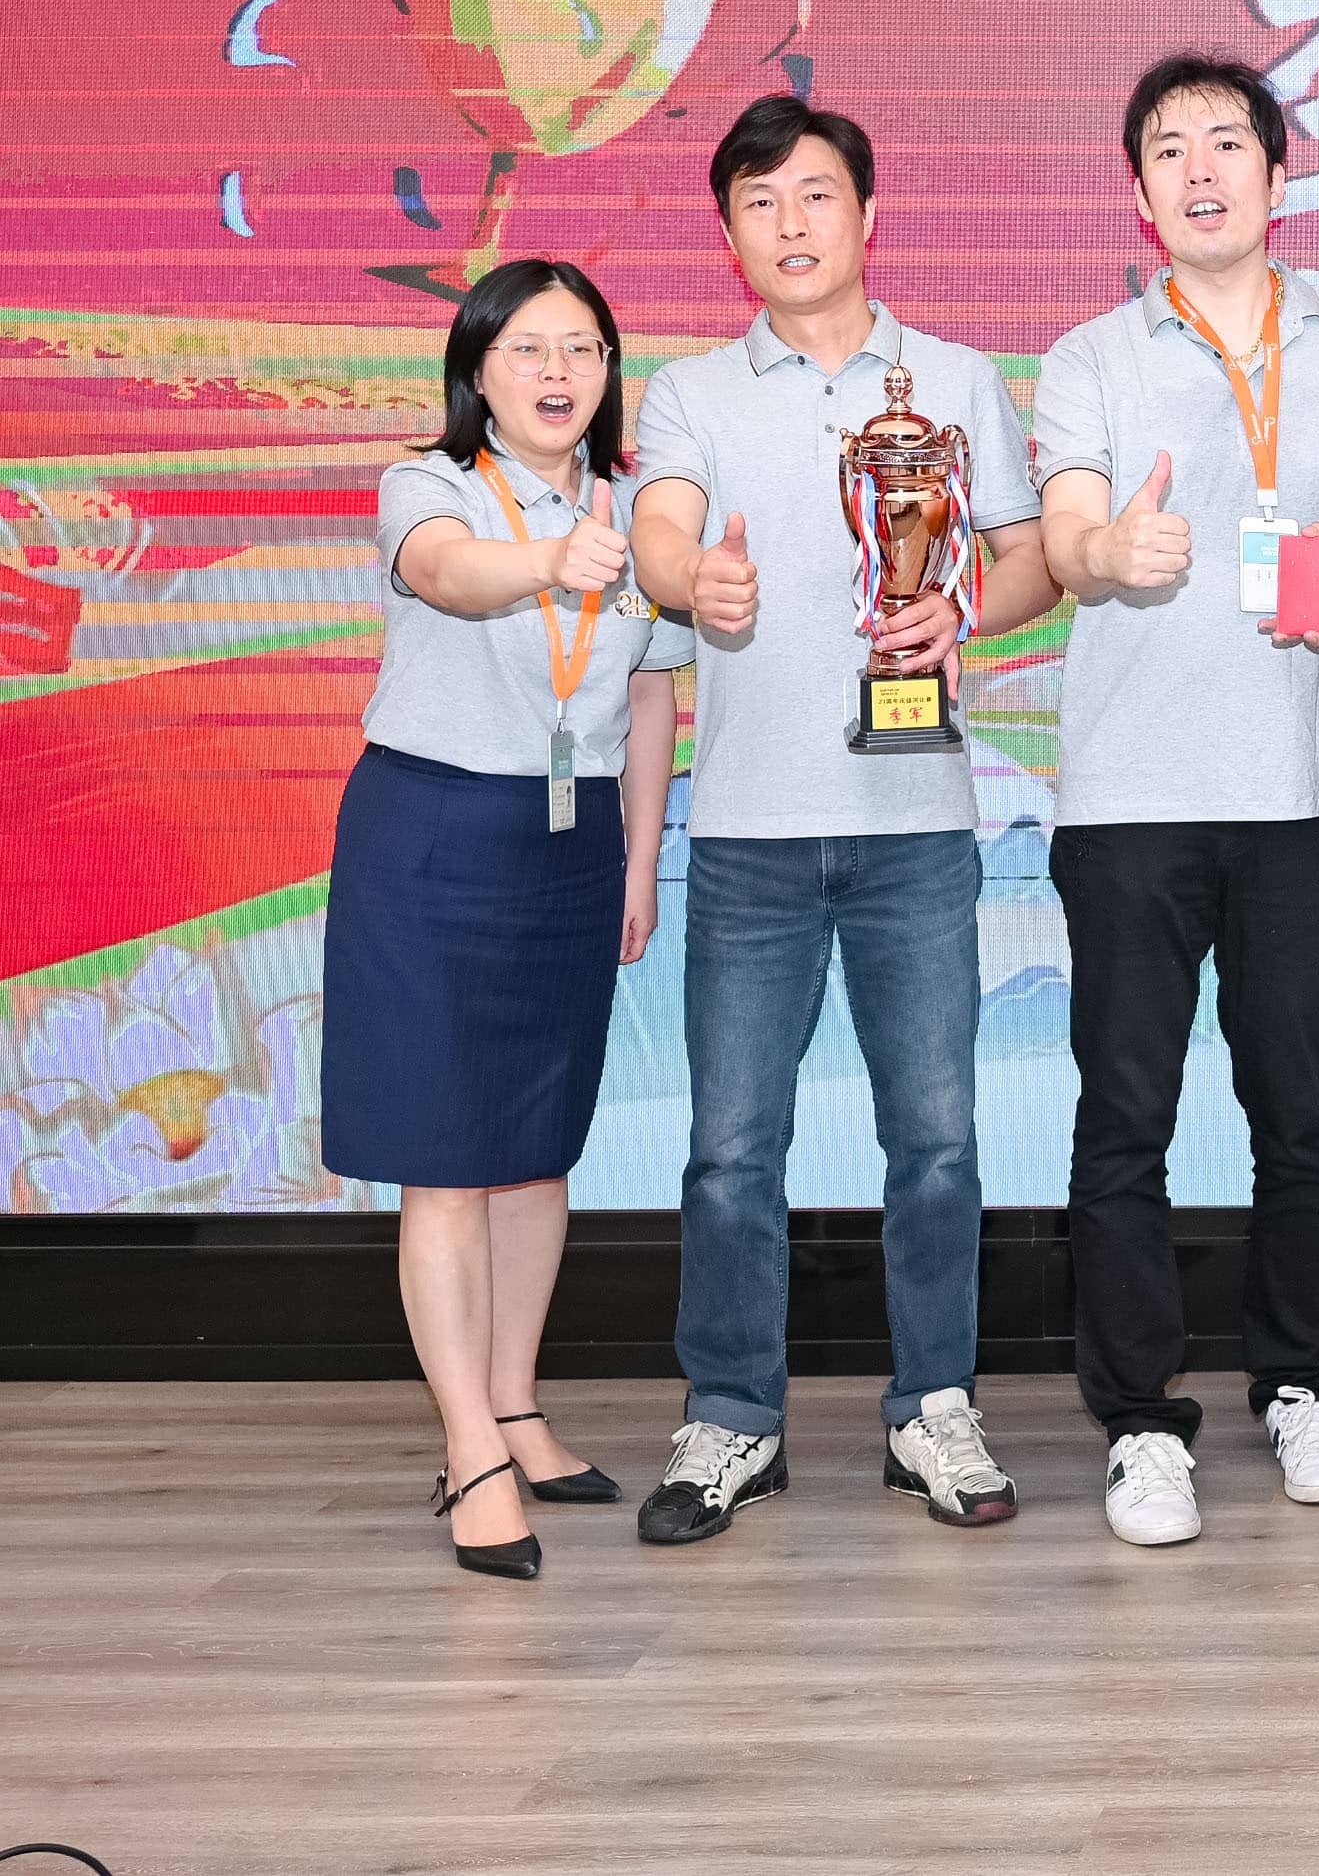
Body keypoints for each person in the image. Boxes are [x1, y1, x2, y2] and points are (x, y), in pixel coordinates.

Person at [625, 95, 1055, 1547]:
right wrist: (693, 581)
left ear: (867, 214)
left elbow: (1028, 561)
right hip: (750, 831)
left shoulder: (954, 378)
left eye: (815, 194)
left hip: (915, 825)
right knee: (731, 1150)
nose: (791, 223)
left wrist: (963, 611)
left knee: (935, 1142)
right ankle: (731, 1414)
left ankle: (934, 1404)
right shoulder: (693, 390)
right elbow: (663, 527)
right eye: (759, 203)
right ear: (730, 233)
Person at [1029, 56, 1319, 1549]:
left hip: (1304, 790)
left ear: (1278, 173)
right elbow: (1067, 537)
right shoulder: (1089, 356)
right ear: (1138, 193)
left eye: (1225, 144)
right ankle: (1141, 1419)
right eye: (1167, 150)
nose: (1199, 171)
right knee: (1125, 1115)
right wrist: (1108, 554)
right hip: (1132, 797)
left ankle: (1304, 1384)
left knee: (1304, 1107)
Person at [325, 259, 690, 1581]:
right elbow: (450, 576)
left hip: (572, 842)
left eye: (583, 348)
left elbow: (648, 700)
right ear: (477, 369)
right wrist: (549, 557)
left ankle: (518, 1404)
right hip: (430, 833)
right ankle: (469, 1445)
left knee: (537, 1148)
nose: (557, 372)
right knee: (444, 1154)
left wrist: (640, 865)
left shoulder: (639, 513)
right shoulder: (428, 485)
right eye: (527, 347)